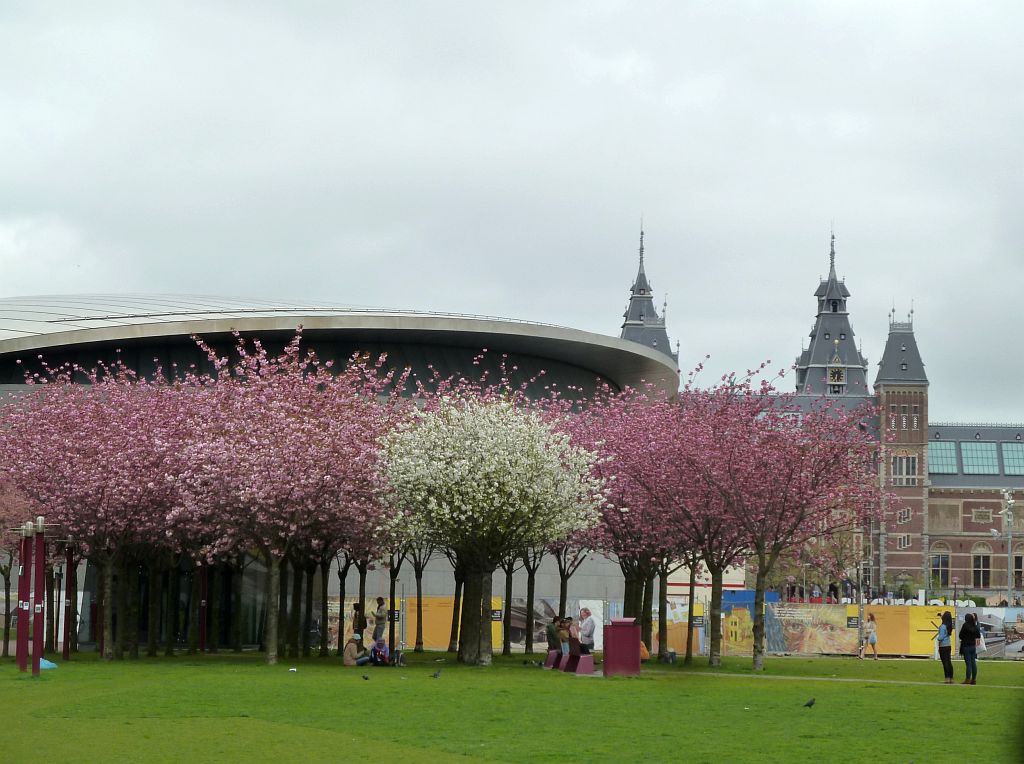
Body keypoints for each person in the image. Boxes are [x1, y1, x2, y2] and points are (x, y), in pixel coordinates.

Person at [959, 612, 981, 685]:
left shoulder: (965, 625)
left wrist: (965, 638)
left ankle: (967, 679)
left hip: (966, 646)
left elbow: (960, 635)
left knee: (968, 664)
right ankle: (974, 679)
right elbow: (978, 635)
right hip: (973, 646)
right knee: (973, 663)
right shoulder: (974, 626)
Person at [935, 611, 954, 683]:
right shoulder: (949, 626)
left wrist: (938, 638)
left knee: (945, 662)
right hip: (948, 645)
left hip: (943, 646)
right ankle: (951, 678)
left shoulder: (943, 626)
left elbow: (941, 637)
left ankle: (947, 678)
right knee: (949, 662)